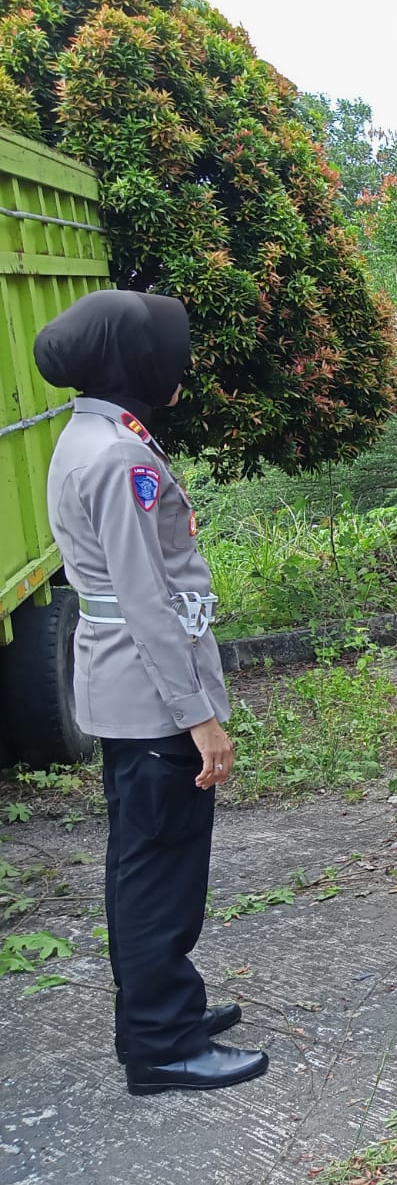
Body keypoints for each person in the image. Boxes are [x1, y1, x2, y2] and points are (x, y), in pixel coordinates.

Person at [37, 290, 269, 1095]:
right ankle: (161, 1045)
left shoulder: (90, 435)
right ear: (132, 364)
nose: (180, 364)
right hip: (152, 695)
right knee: (160, 871)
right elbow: (146, 600)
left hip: (125, 686)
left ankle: (161, 1009)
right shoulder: (121, 457)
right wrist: (201, 718)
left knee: (143, 862)